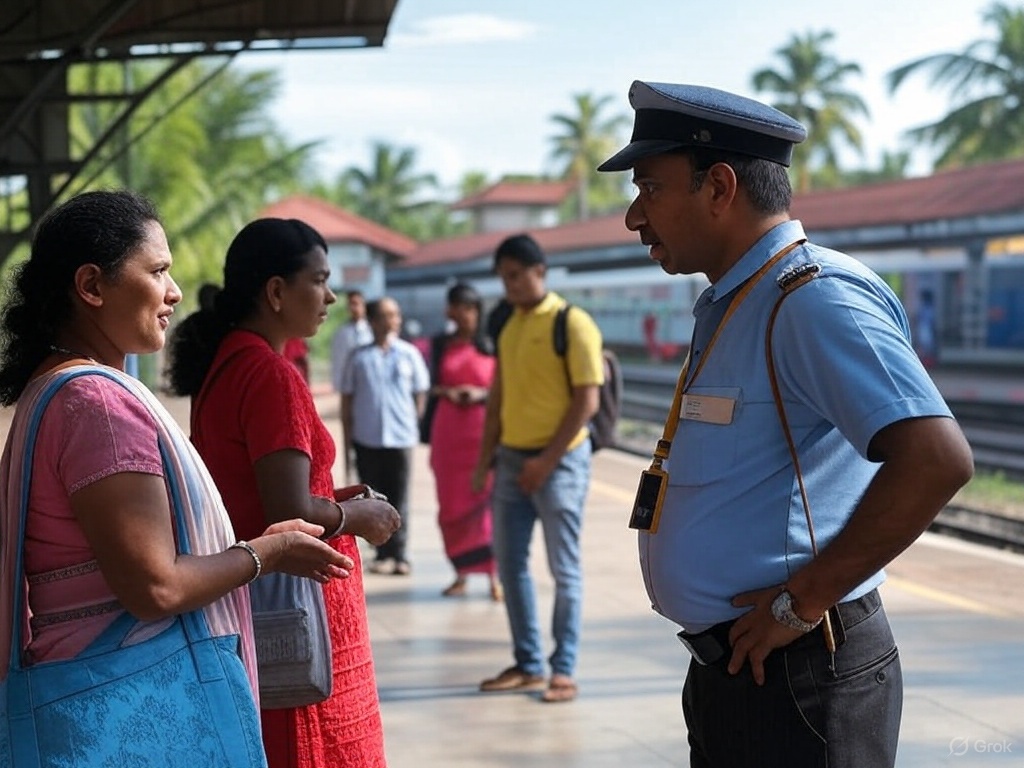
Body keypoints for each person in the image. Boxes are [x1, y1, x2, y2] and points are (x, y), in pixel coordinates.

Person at [596, 81, 974, 767]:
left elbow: (936, 459)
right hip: (742, 665)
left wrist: (800, 602)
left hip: (803, 671)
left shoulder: (812, 300)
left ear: (718, 186)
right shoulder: (738, 299)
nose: (633, 216)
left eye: (649, 188)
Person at [0, 190, 351, 764]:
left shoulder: (57, 389)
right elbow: (155, 587)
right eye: (158, 270)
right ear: (92, 287)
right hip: (124, 701)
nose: (175, 292)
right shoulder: (98, 406)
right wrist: (267, 553)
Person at [166, 218, 401, 768]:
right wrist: (358, 513)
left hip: (255, 599)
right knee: (316, 747)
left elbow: (257, 487)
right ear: (276, 291)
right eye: (318, 280)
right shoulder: (270, 374)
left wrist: (339, 494)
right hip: (298, 604)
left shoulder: (228, 363)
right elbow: (289, 510)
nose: (331, 296)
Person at [471, 233, 605, 704]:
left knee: (563, 569)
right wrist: (485, 459)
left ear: (539, 270)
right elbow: (498, 400)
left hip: (562, 461)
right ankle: (529, 663)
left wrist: (545, 462)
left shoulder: (573, 324)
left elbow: (587, 400)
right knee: (510, 566)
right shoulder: (508, 327)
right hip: (511, 461)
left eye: (514, 275)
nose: (508, 286)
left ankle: (562, 668)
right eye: (503, 278)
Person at [341, 296, 430, 576]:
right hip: (368, 437)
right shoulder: (358, 357)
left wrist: (412, 420)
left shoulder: (408, 354)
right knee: (374, 497)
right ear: (374, 321)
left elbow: (420, 392)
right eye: (389, 315)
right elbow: (347, 399)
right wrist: (348, 438)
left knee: (400, 495)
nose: (395, 320)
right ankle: (381, 553)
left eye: (397, 314)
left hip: (400, 437)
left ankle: (400, 553)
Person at [426, 283, 501, 600]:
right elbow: (428, 386)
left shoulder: (492, 345)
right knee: (451, 507)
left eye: (469, 308)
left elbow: (503, 388)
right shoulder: (439, 344)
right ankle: (460, 573)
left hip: (483, 433)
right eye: (457, 307)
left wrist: (481, 394)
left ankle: (494, 575)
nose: (463, 314)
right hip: (449, 433)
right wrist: (449, 392)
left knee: (486, 506)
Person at [331, 290, 372, 480]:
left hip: (367, 393)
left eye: (357, 303)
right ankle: (349, 475)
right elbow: (338, 363)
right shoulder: (342, 334)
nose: (354, 308)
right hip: (348, 392)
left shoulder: (371, 331)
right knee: (348, 436)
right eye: (351, 304)